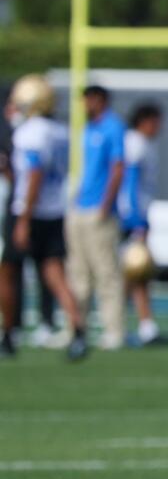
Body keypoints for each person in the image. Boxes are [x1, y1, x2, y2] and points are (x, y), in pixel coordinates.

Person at [0, 75, 88, 361]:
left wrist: (24, 217)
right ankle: (78, 329)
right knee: (55, 274)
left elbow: (34, 175)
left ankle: (9, 333)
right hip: (53, 211)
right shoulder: (60, 131)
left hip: (28, 210)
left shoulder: (30, 133)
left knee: (8, 272)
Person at [67, 84, 126, 350]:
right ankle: (77, 328)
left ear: (99, 100)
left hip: (99, 211)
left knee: (106, 273)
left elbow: (117, 168)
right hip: (80, 207)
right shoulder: (88, 128)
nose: (85, 105)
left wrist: (106, 204)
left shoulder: (113, 127)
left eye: (89, 100)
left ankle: (113, 331)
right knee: (78, 273)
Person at [118, 102, 168, 347]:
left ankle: (145, 325)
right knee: (128, 273)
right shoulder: (135, 143)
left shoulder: (145, 144)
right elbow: (129, 183)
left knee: (139, 273)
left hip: (138, 215)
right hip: (129, 217)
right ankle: (118, 324)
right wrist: (135, 220)